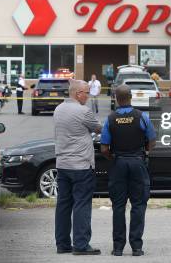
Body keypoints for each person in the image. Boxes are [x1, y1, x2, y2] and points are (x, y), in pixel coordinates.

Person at [100, 84, 156, 257]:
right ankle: (136, 247)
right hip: (137, 163)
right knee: (138, 205)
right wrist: (144, 152)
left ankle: (118, 248)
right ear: (131, 97)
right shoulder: (142, 116)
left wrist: (114, 158)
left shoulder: (110, 119)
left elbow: (103, 148)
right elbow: (152, 140)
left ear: (116, 98)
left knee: (118, 206)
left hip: (119, 164)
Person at [53, 80, 102, 255]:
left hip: (63, 164)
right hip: (81, 164)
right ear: (77, 93)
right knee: (82, 204)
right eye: (86, 93)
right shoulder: (83, 111)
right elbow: (99, 128)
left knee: (63, 205)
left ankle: (62, 244)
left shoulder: (58, 109)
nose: (88, 96)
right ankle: (81, 245)